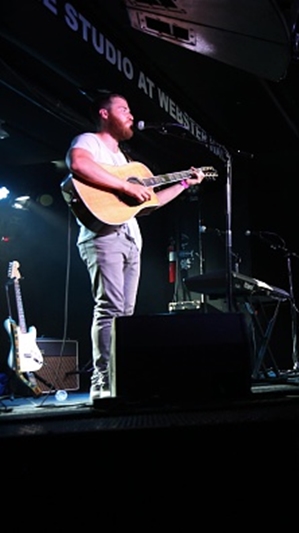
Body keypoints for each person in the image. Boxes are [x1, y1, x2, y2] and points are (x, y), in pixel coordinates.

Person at [64, 92, 205, 400]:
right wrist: (123, 185)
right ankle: (102, 382)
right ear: (104, 113)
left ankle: (119, 377)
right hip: (103, 234)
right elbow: (77, 164)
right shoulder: (90, 141)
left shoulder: (125, 161)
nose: (130, 114)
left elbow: (152, 203)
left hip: (130, 238)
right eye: (123, 109)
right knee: (110, 308)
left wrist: (183, 183)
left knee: (125, 314)